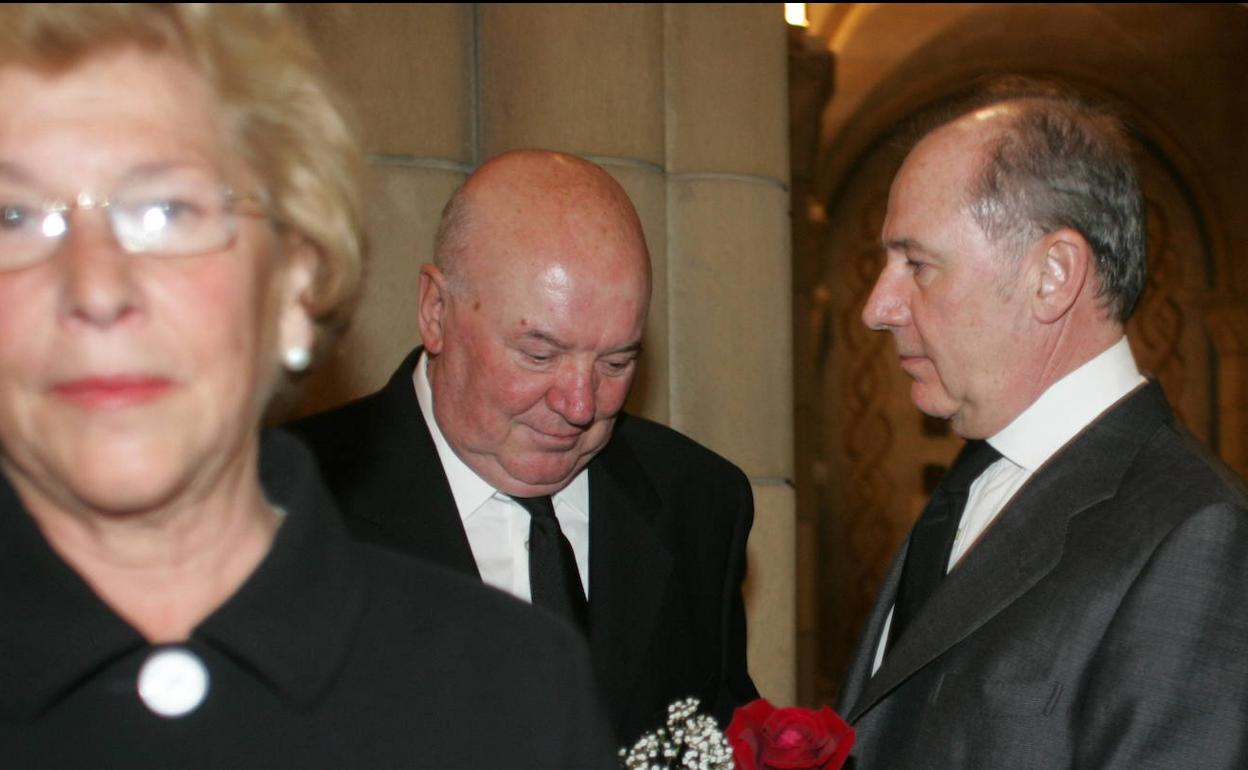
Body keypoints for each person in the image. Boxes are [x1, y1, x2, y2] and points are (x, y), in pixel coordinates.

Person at [0, 6, 617, 768]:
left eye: (168, 211)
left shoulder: (513, 691)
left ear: (295, 284)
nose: (94, 288)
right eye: (15, 217)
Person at [837, 78, 1248, 768]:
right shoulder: (977, 478)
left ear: (1052, 275)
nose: (877, 307)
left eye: (917, 264)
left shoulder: (1199, 538)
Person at [290, 148, 759, 742]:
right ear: (435, 312)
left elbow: (725, 733)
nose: (581, 404)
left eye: (616, 362)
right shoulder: (287, 502)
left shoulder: (699, 502)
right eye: (540, 355)